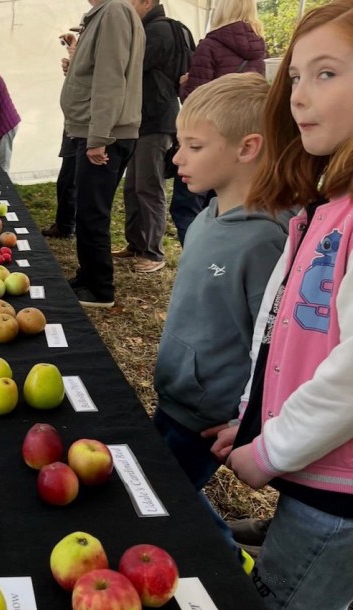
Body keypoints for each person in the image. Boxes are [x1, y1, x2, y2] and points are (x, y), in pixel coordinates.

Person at [211, 2, 353, 610]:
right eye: (294, 76)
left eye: (326, 74)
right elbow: (283, 330)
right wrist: (254, 421)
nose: (298, 96)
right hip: (314, 472)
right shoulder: (327, 202)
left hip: (340, 494)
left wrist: (268, 452)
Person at [151, 73, 288, 558]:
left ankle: (226, 558)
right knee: (160, 481)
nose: (177, 157)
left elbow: (276, 345)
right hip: (177, 393)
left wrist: (249, 417)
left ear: (246, 148)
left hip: (207, 413)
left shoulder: (268, 242)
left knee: (163, 494)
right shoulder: (208, 216)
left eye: (193, 145)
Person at [60, 0, 145, 308]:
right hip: (98, 130)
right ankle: (88, 275)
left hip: (103, 134)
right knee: (87, 210)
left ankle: (99, 288)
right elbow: (100, 73)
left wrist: (98, 137)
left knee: (92, 213)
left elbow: (111, 78)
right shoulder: (109, 13)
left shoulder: (113, 12)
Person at [169, 0, 268, 245]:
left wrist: (183, 84)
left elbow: (196, 98)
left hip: (210, 135)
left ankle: (199, 256)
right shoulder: (259, 48)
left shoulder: (211, 44)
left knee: (187, 207)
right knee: (228, 205)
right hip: (242, 134)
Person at [115, 0, 186, 273]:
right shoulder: (150, 29)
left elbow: (130, 68)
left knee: (149, 187)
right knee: (133, 186)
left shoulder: (158, 32)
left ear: (146, 2)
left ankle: (153, 252)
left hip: (156, 119)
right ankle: (135, 244)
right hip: (143, 120)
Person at [43, 35, 79, 239]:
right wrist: (70, 67)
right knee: (67, 179)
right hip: (73, 123)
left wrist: (72, 64)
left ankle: (66, 225)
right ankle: (65, 223)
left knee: (69, 179)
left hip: (79, 125)